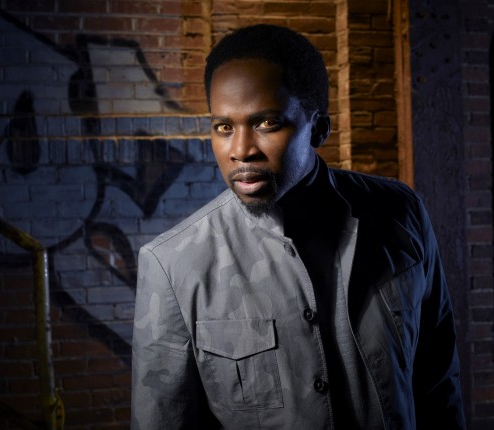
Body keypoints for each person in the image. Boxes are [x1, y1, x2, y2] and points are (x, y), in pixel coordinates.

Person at [131, 24, 465, 429]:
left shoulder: (400, 213)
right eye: (224, 127)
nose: (241, 151)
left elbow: (438, 382)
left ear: (319, 128)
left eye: (266, 123)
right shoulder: (172, 265)